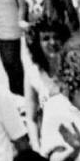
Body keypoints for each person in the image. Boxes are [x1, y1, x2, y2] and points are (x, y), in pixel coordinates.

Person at [23, 13, 68, 151]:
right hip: (50, 140)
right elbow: (31, 118)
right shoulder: (33, 73)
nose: (52, 43)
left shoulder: (73, 67)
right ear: (37, 43)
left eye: (56, 37)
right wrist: (37, 148)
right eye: (46, 39)